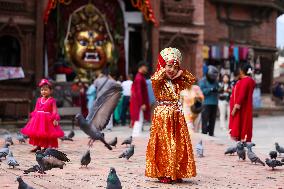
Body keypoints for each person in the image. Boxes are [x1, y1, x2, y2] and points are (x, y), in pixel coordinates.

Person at [145, 47, 196, 183]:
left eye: (175, 67)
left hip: (177, 115)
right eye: (169, 66)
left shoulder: (177, 82)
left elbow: (191, 80)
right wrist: (165, 69)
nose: (171, 70)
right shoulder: (158, 81)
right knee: (165, 144)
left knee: (178, 144)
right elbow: (156, 77)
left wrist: (180, 72)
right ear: (162, 65)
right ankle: (165, 172)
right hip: (163, 115)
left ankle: (176, 171)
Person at [21, 79, 64, 152]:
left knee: (46, 133)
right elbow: (36, 109)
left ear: (50, 91)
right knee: (38, 133)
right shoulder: (39, 99)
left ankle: (46, 147)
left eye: (46, 90)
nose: (43, 91)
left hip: (47, 120)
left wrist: (55, 118)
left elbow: (54, 110)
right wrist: (33, 118)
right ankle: (38, 146)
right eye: (42, 90)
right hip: (38, 119)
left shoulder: (52, 100)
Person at [229, 63, 255, 142]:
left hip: (242, 107)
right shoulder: (250, 81)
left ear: (242, 71)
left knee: (241, 123)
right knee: (246, 123)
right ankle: (244, 138)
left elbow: (242, 95)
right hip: (246, 106)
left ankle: (241, 139)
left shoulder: (245, 81)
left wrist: (235, 108)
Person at [130, 61, 150, 137]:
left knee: (139, 120)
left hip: (138, 102)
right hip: (138, 103)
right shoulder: (139, 78)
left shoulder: (139, 77)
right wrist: (142, 103)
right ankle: (135, 137)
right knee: (138, 120)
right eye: (146, 67)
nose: (147, 68)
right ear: (141, 67)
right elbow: (138, 92)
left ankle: (136, 137)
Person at [199, 65, 219, 136]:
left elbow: (218, 88)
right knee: (205, 120)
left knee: (212, 120)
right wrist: (210, 89)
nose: (213, 78)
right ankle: (204, 133)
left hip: (214, 103)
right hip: (206, 103)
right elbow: (202, 91)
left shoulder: (215, 81)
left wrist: (218, 89)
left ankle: (211, 133)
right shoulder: (203, 81)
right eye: (212, 76)